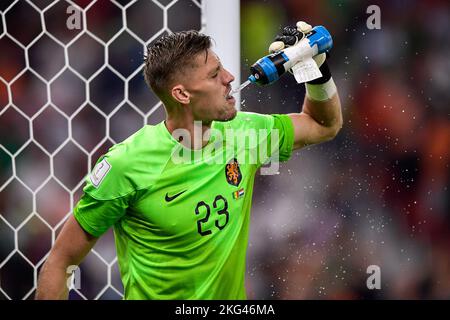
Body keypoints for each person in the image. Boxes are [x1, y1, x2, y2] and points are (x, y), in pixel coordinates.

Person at [35, 21, 342, 300]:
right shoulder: (127, 165)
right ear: (182, 94)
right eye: (214, 74)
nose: (230, 77)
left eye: (222, 68)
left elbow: (323, 125)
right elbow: (61, 261)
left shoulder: (245, 133)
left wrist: (316, 69)